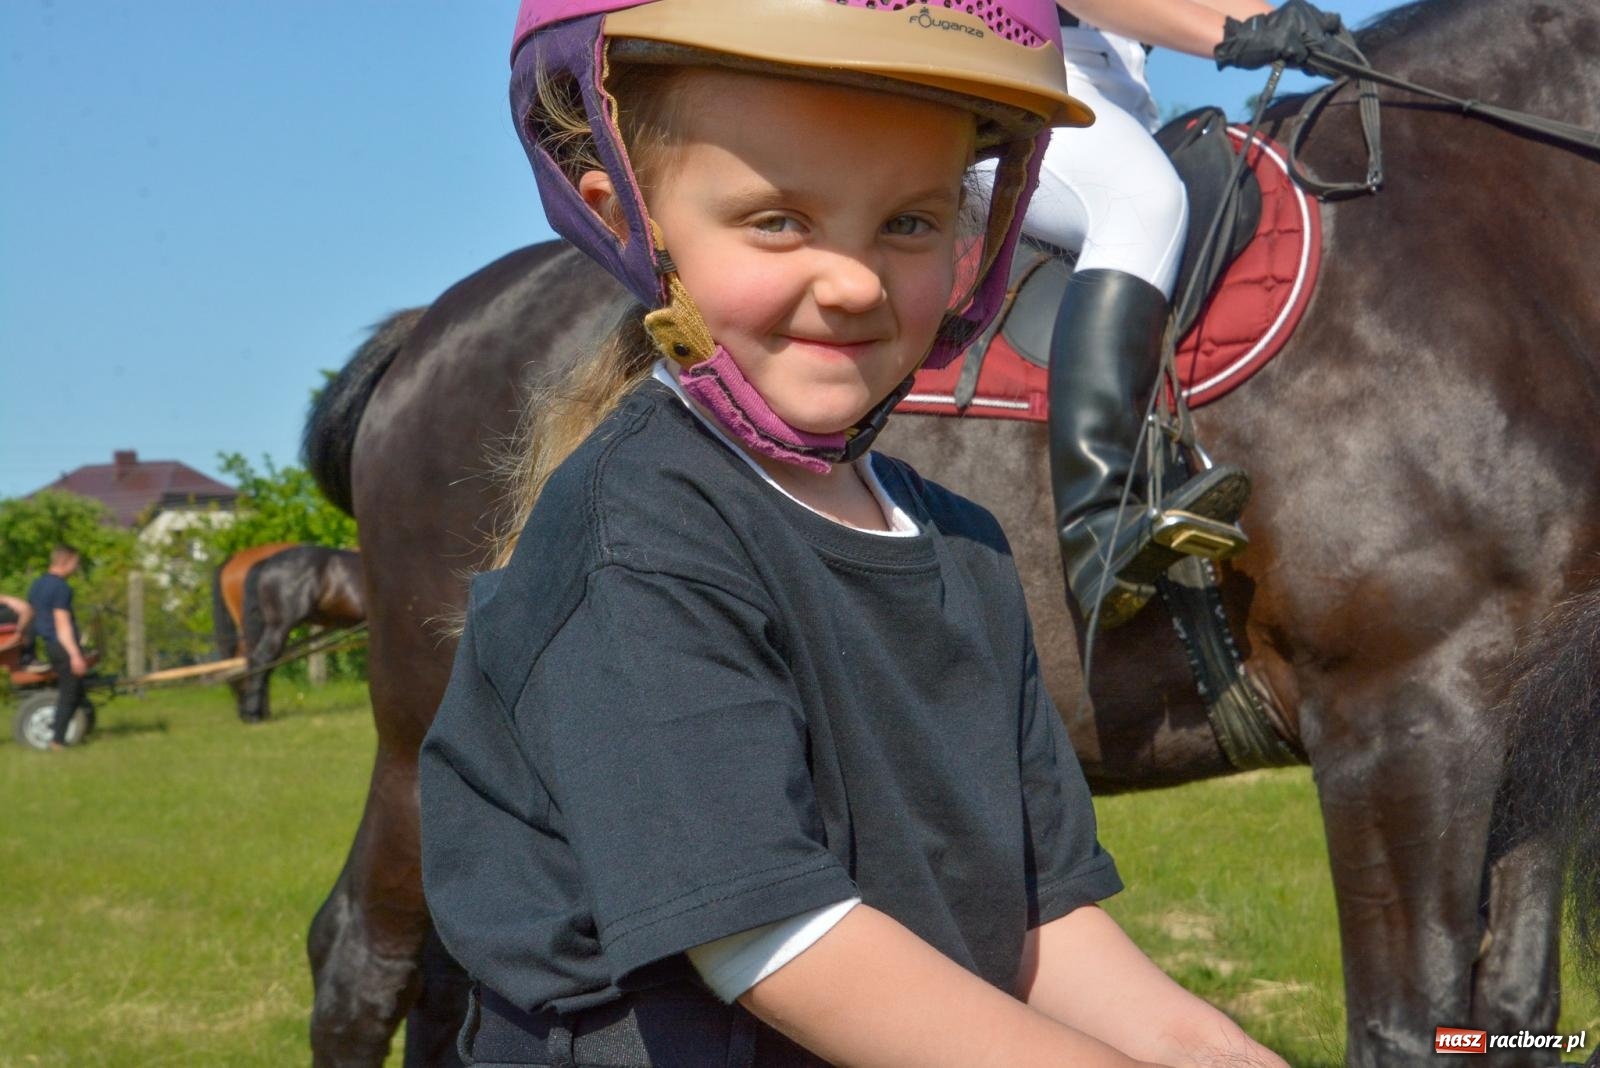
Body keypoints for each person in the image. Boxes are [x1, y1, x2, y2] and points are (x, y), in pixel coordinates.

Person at [420, 2, 1288, 1065]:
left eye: (910, 223)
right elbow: (779, 943)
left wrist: (1202, 1048)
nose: (855, 282)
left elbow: (1036, 921)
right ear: (628, 218)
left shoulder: (963, 549)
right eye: (778, 220)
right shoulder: (638, 538)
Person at [990, 0, 1351, 628]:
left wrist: (1297, 21)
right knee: (1142, 202)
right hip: (1018, 84)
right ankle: (1096, 522)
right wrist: (1239, 33)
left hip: (1112, 102)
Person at [28, 544, 88, 750]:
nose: (76, 567)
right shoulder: (61, 588)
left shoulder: (37, 584)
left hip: (49, 644)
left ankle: (80, 729)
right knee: (69, 692)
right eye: (75, 563)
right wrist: (75, 655)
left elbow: (33, 617)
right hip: (61, 645)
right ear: (66, 562)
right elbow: (62, 624)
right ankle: (57, 740)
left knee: (77, 690)